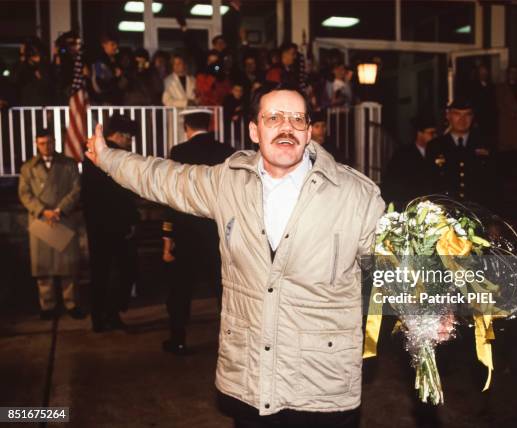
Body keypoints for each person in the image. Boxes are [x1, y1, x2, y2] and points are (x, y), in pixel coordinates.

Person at [85, 84, 386, 427]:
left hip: (322, 388)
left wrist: (430, 312)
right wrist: (108, 157)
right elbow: (162, 177)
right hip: (251, 384)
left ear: (309, 130)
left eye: (297, 119)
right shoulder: (227, 182)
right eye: (274, 118)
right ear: (254, 131)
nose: (286, 127)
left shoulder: (355, 195)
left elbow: (395, 263)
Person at [161, 109, 235, 355]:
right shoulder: (227, 152)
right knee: (224, 291)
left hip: (187, 231)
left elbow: (171, 196)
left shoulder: (179, 153)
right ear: (210, 124)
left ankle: (178, 339)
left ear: (186, 127)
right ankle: (233, 343)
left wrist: (167, 236)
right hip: (218, 232)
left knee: (180, 291)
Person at [81, 114, 140, 332]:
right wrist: (130, 221)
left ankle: (98, 318)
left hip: (97, 225)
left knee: (100, 272)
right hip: (116, 226)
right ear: (118, 135)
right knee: (121, 272)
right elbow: (122, 195)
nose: (130, 141)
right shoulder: (117, 156)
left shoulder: (94, 155)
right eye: (129, 137)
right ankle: (112, 314)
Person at [18, 130, 85, 320]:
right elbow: (24, 194)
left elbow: (76, 188)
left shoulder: (68, 164)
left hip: (63, 218)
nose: (45, 147)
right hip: (40, 220)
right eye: (41, 143)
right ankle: (47, 305)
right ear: (36, 144)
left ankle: (71, 304)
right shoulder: (28, 167)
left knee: (68, 267)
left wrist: (60, 209)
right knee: (43, 267)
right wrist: (42, 210)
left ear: (54, 142)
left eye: (48, 142)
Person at [426, 98, 496, 208]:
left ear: (472, 117)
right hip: (446, 210)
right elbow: (430, 183)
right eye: (457, 114)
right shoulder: (435, 146)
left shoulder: (484, 144)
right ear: (448, 116)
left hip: (478, 210)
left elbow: (493, 184)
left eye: (467, 115)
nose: (462, 119)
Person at [381, 115, 438, 209]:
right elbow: (393, 182)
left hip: (432, 204)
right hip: (409, 204)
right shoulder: (403, 154)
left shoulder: (437, 152)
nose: (435, 136)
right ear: (420, 133)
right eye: (431, 133)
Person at [91, 34, 127, 105]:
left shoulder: (118, 61)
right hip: (105, 102)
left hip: (118, 101)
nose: (115, 47)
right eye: (112, 44)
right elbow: (100, 85)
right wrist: (116, 77)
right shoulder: (99, 62)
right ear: (104, 45)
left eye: (116, 44)